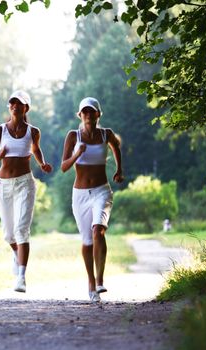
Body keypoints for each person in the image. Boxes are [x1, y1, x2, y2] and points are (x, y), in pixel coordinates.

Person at [0, 90, 53, 293]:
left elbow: (35, 149)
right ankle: (17, 255)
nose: (14, 106)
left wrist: (42, 163)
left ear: (26, 108)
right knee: (8, 234)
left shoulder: (33, 131)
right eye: (12, 103)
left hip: (25, 183)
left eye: (19, 104)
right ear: (9, 107)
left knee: (22, 229)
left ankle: (21, 277)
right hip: (3, 185)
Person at [60, 97, 123, 302]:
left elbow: (116, 146)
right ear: (80, 115)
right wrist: (77, 153)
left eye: (91, 111)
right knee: (87, 241)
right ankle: (90, 281)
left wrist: (119, 170)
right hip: (80, 195)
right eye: (84, 112)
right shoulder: (73, 136)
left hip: (101, 191)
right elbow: (63, 167)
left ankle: (100, 280)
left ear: (98, 114)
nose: (88, 114)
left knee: (98, 230)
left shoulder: (107, 134)